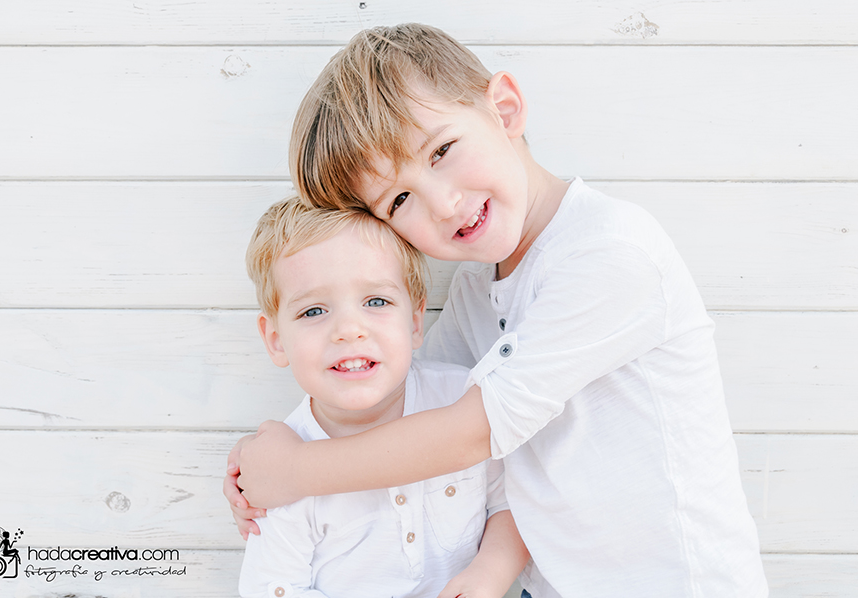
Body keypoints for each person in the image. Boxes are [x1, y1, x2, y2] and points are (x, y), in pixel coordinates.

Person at [225, 24, 768, 597]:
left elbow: (468, 433)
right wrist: (257, 461)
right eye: (400, 199)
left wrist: (294, 472)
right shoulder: (476, 288)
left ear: (504, 109)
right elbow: (410, 406)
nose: (443, 203)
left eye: (441, 151)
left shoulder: (609, 252)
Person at [236, 196, 529, 598]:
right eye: (314, 311)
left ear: (415, 321)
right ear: (275, 340)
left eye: (376, 302)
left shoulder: (462, 401)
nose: (349, 330)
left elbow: (513, 501)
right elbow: (272, 587)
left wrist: (488, 574)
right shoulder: (276, 471)